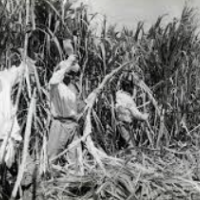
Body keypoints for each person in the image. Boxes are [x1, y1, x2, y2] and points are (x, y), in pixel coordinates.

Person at [47, 54, 84, 169]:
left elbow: (77, 107)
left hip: (73, 125)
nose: (71, 76)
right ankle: (46, 181)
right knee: (52, 157)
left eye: (73, 74)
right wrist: (68, 63)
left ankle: (74, 181)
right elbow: (54, 79)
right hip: (60, 124)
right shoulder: (56, 86)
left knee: (75, 159)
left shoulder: (72, 88)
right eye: (69, 73)